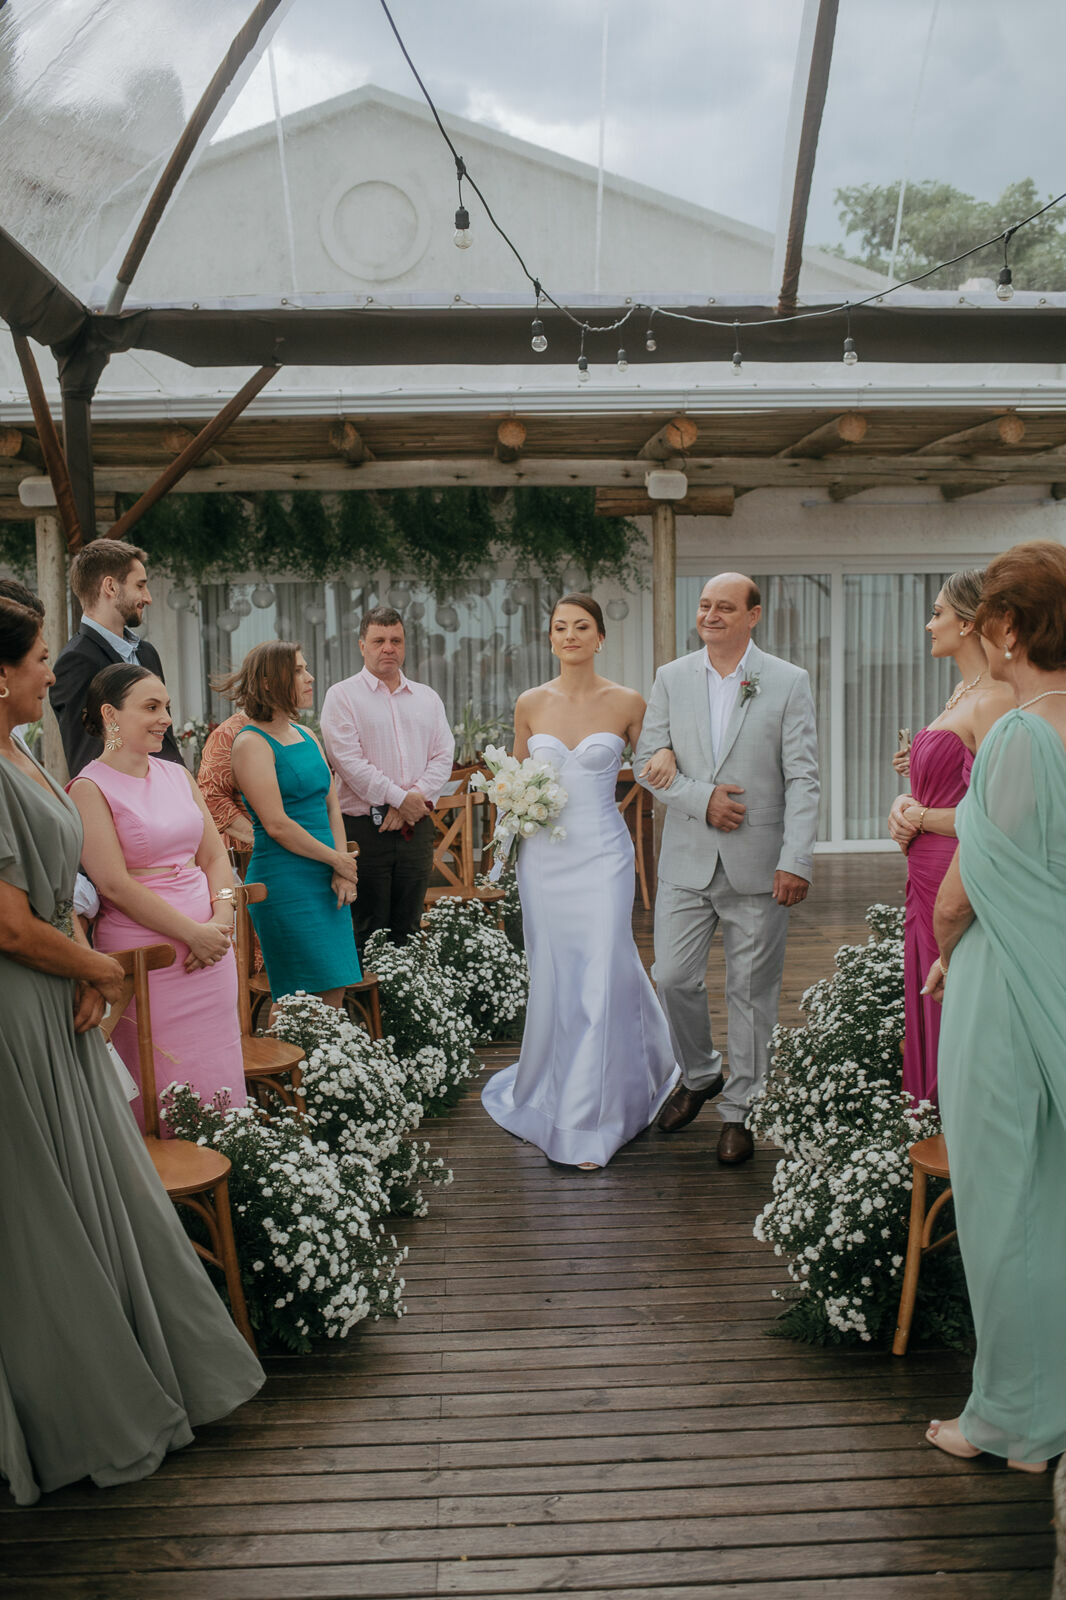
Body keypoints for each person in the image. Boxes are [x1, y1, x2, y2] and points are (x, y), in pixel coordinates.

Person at [0, 598, 263, 1507]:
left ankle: (195, 1299)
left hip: (133, 971)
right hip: (85, 982)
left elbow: (196, 858)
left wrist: (214, 921)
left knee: (154, 1143)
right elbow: (56, 901)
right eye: (39, 658)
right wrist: (116, 958)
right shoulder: (64, 777)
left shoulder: (34, 755)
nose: (51, 673)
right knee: (94, 1163)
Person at [922, 540, 1066, 1475]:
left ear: (1008, 629)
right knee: (1052, 1198)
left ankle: (1011, 1420)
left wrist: (940, 953)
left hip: (1007, 988)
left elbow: (964, 889)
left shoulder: (1023, 734)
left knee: (1000, 1199)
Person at [480, 594, 679, 1169]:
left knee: (602, 964)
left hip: (602, 856)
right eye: (560, 628)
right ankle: (557, 1086)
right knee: (557, 971)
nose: (570, 635)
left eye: (582, 626)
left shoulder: (628, 701)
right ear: (550, 639)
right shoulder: (529, 703)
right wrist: (506, 834)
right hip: (542, 860)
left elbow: (656, 766)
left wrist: (666, 756)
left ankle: (591, 1118)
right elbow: (509, 784)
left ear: (599, 638)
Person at [635, 572, 820, 1166]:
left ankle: (742, 1108)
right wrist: (699, 796)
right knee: (672, 976)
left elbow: (803, 778)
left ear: (753, 615)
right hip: (687, 861)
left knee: (751, 992)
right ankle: (700, 1073)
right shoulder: (671, 677)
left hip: (760, 867)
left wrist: (796, 859)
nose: (711, 615)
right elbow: (646, 762)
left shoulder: (788, 682)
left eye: (725, 607)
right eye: (704, 606)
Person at [67, 664, 246, 1131]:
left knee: (218, 1067)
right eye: (150, 707)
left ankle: (230, 1168)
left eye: (166, 706)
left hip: (211, 953)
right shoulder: (90, 788)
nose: (165, 717)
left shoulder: (177, 775)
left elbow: (215, 858)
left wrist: (222, 917)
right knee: (160, 1076)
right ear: (111, 715)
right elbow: (113, 885)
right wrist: (192, 933)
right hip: (149, 962)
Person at [886, 571, 1012, 1106]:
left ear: (967, 623)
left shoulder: (998, 700)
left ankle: (957, 1119)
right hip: (923, 871)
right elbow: (948, 784)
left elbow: (998, 816)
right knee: (927, 989)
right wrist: (904, 801)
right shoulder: (963, 691)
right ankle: (927, 1115)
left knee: (955, 996)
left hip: (956, 871)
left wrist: (919, 817)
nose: (928, 623)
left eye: (937, 613)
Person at [227, 640, 360, 1005]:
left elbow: (332, 805)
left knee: (335, 985)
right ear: (269, 682)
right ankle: (289, 1063)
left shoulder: (307, 734)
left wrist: (341, 869)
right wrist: (338, 860)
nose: (309, 677)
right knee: (298, 997)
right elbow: (276, 825)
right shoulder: (250, 743)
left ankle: (324, 1063)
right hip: (285, 881)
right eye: (299, 670)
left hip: (327, 874)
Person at [321, 606, 454, 955]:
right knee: (367, 930)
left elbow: (444, 756)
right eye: (379, 640)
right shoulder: (342, 696)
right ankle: (367, 1009)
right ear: (362, 645)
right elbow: (347, 762)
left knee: (409, 928)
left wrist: (414, 800)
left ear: (405, 644)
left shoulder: (427, 698)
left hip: (417, 826)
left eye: (395, 640)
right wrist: (400, 798)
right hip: (364, 831)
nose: (388, 648)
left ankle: (406, 1007)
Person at [50, 537, 183, 777]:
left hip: (170, 795)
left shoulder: (147, 652)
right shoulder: (76, 661)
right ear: (110, 587)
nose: (148, 598)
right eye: (140, 586)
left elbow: (166, 739)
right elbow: (86, 756)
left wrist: (185, 788)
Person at [198, 708, 253, 850]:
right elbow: (211, 796)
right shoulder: (228, 734)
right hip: (253, 852)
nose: (310, 683)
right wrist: (257, 838)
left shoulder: (294, 729)